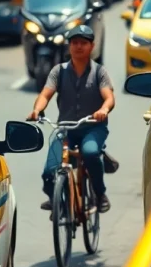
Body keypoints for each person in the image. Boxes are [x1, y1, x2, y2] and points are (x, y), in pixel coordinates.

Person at [27, 25, 114, 214]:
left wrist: (104, 110)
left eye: (83, 43)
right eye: (75, 43)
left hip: (92, 128)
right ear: (69, 46)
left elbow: (109, 97)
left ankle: (100, 194)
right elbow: (45, 94)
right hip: (65, 129)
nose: (79, 47)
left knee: (90, 153)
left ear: (92, 46)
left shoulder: (99, 72)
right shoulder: (58, 71)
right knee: (50, 170)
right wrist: (37, 110)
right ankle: (56, 199)